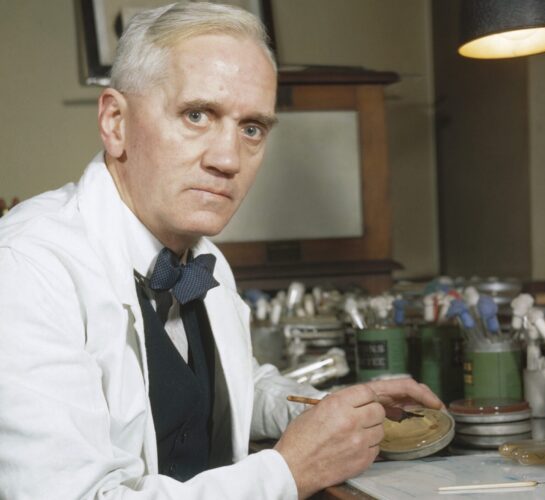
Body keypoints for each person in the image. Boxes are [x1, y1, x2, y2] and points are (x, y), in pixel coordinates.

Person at [0, 3, 442, 499]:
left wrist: (331, 410)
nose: (228, 159)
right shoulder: (27, 269)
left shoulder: (203, 259)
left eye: (251, 128)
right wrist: (287, 472)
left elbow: (229, 385)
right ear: (115, 122)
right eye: (197, 115)